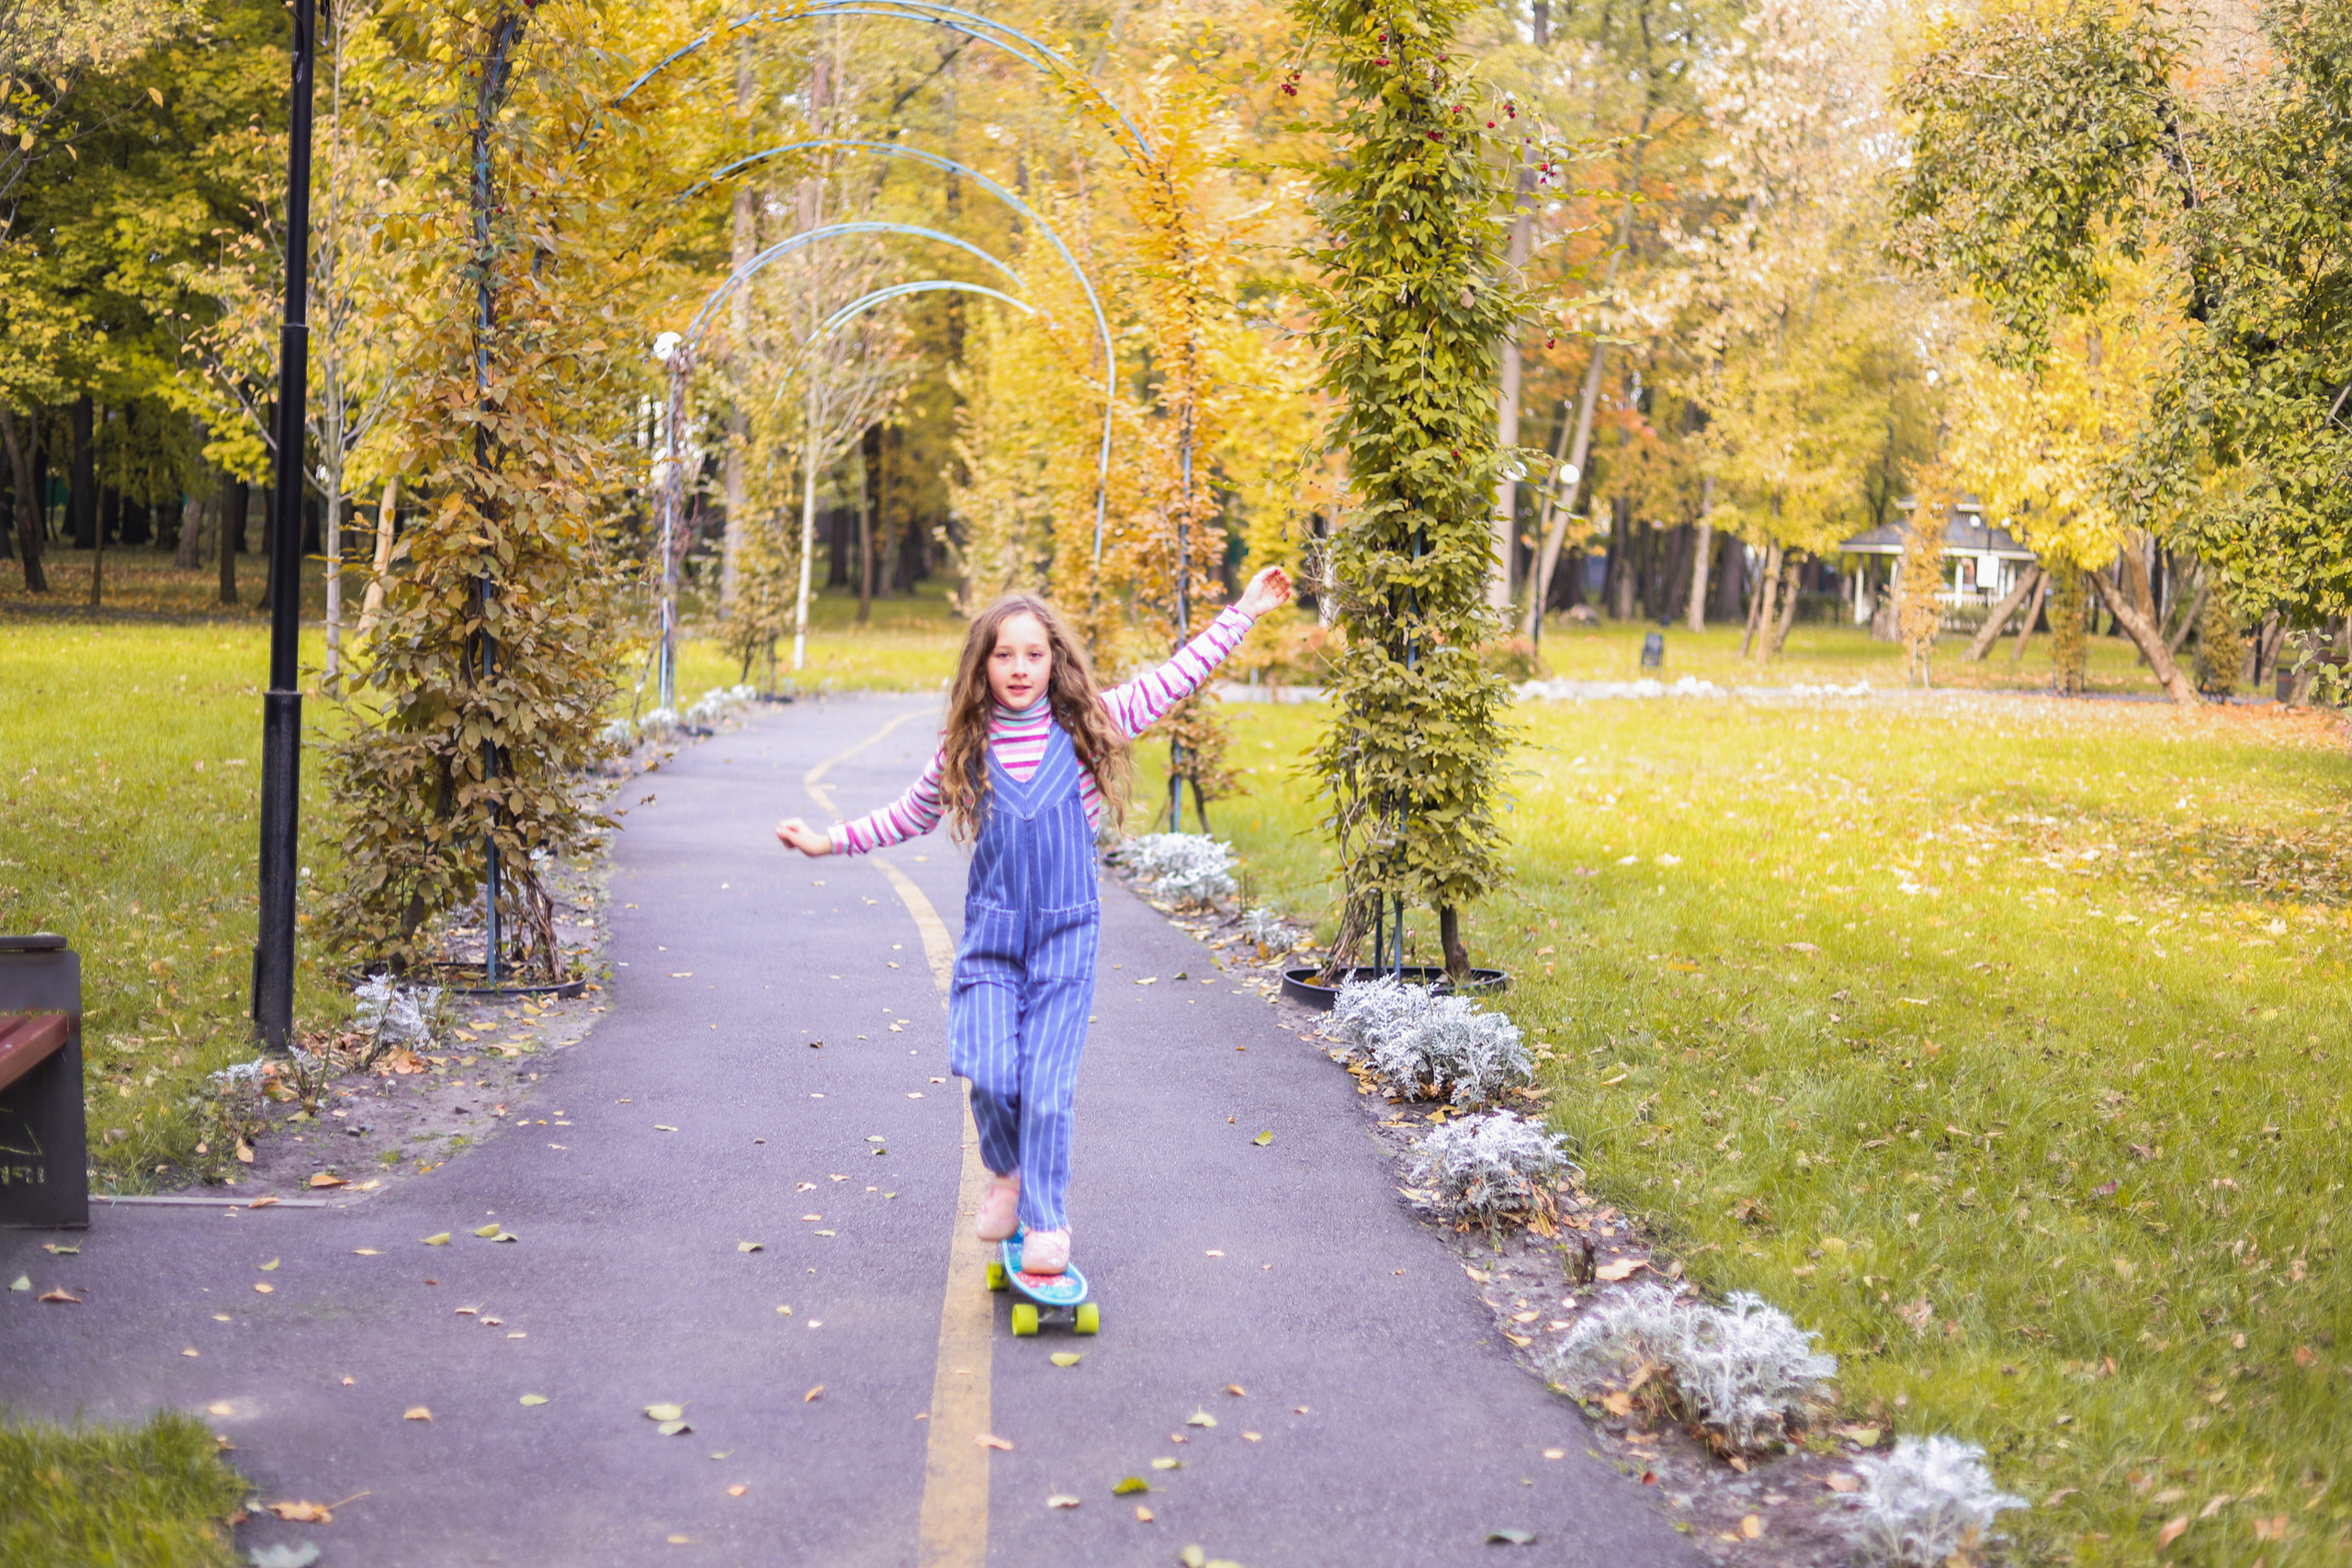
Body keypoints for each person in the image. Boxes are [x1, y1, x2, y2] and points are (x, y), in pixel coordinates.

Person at [775, 568, 1293, 1276]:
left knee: (1047, 1083)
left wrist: (1246, 610)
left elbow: (1178, 675)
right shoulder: (967, 748)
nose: (1019, 668)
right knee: (988, 1070)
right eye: (1003, 654)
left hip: (1064, 939)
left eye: (1033, 654)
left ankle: (1047, 1220)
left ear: (1056, 662)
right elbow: (908, 814)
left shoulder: (1088, 728)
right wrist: (827, 840)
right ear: (981, 666)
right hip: (992, 941)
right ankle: (1008, 1175)